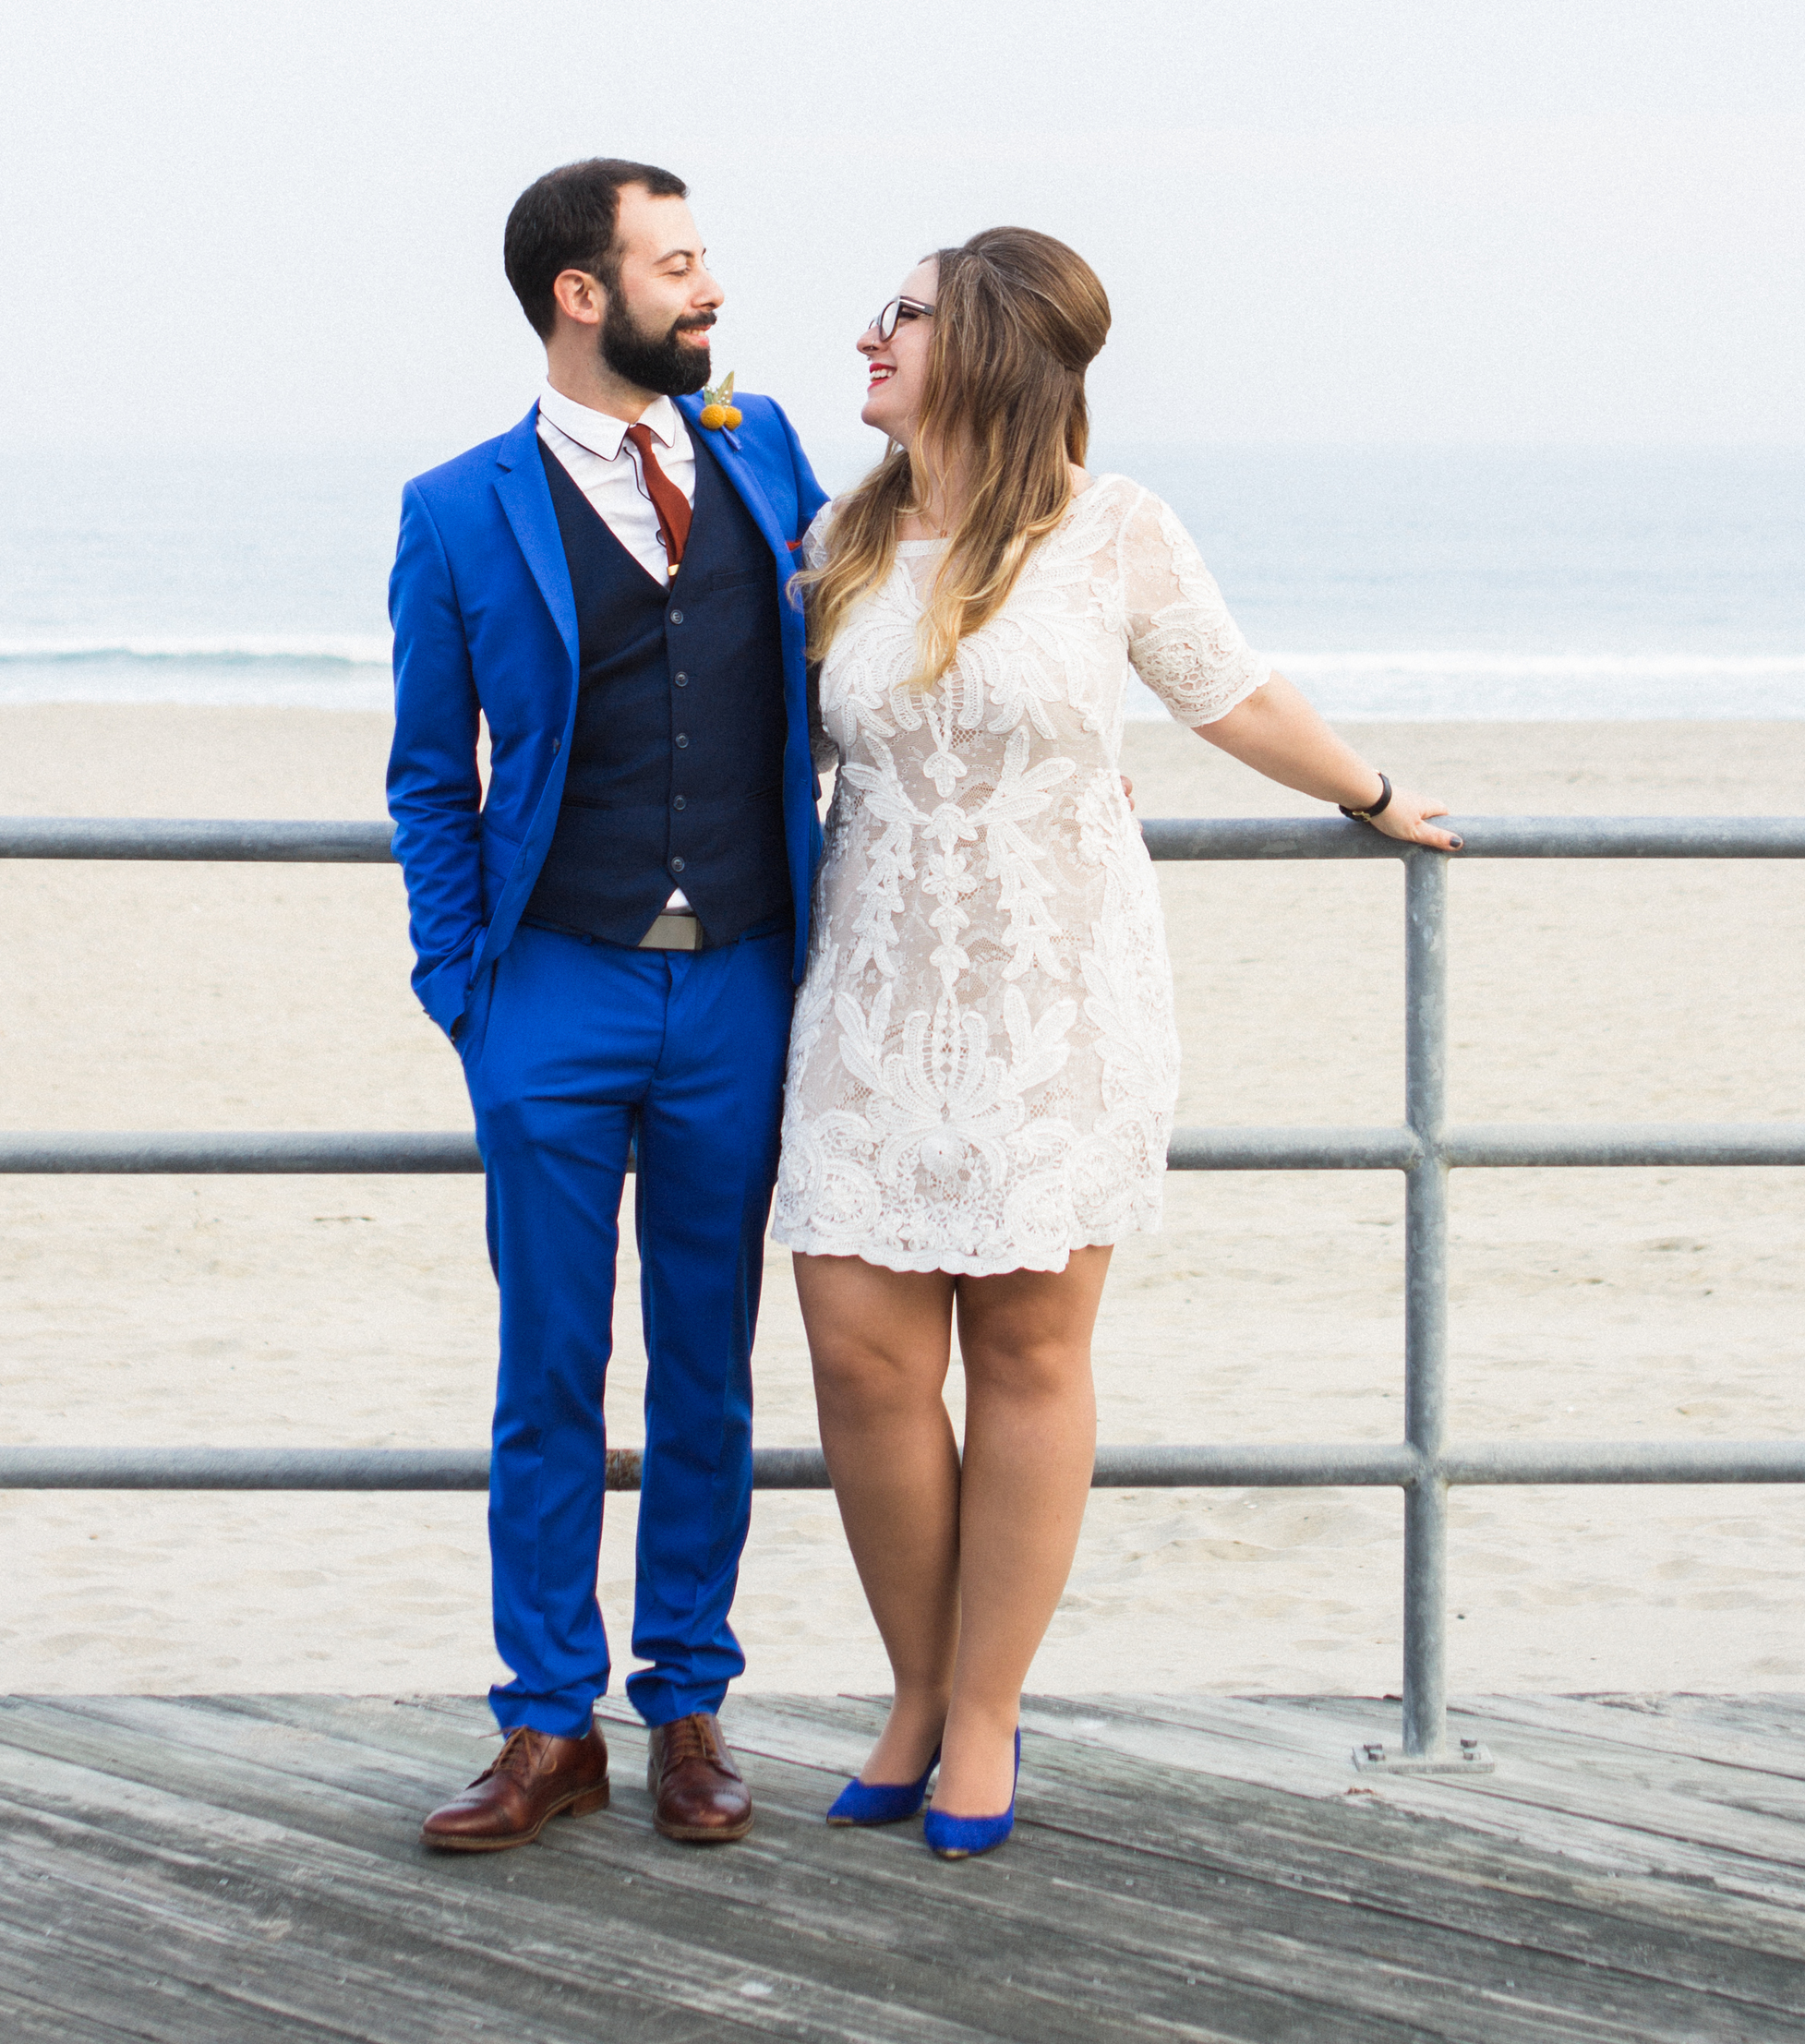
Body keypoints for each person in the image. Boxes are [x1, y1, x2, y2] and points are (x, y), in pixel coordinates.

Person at [776, 227, 1457, 1861]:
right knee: (863, 1366)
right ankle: (913, 1689)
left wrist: (1370, 794)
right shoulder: (835, 541)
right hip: (867, 1007)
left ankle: (985, 1713)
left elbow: (1235, 696)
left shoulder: (1112, 530)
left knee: (1026, 1357)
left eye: (906, 314)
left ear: (990, 346)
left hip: (1056, 1001)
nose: (869, 335)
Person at [388, 158, 827, 1854]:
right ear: (585, 292)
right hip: (552, 990)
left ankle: (690, 1703)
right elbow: (433, 777)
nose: (707, 287)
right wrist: (465, 992)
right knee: (549, 1366)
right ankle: (543, 1719)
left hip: (738, 982)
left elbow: (905, 602)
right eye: (677, 262)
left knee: (709, 1362)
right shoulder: (456, 506)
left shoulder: (764, 446)